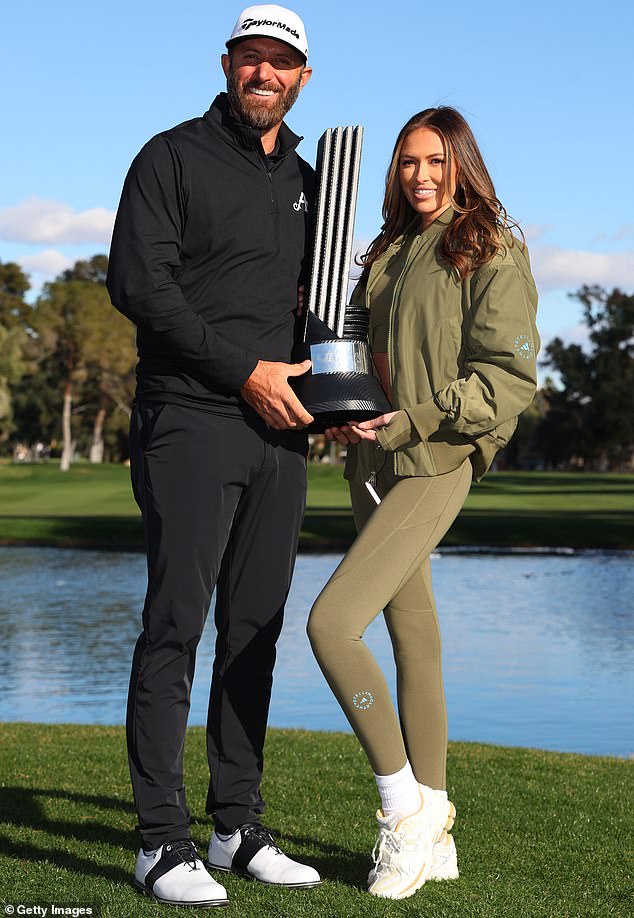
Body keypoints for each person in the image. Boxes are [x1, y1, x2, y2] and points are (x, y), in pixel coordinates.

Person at [107, 5, 322, 908]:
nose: (263, 74)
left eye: (281, 63)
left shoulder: (314, 181)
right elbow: (137, 282)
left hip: (283, 434)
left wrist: (337, 403)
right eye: (251, 58)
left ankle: (235, 826)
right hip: (190, 420)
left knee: (256, 634)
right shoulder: (171, 157)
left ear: (302, 77)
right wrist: (243, 371)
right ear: (228, 63)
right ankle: (161, 843)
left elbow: (319, 315)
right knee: (175, 629)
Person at [307, 107, 539, 901]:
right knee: (414, 636)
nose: (421, 176)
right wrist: (346, 409)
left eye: (436, 161)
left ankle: (401, 809)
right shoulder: (388, 249)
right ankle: (437, 819)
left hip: (436, 459)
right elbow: (364, 348)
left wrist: (413, 420)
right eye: (408, 162)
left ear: (461, 163)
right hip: (373, 458)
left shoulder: (491, 247)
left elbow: (506, 379)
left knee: (331, 625)